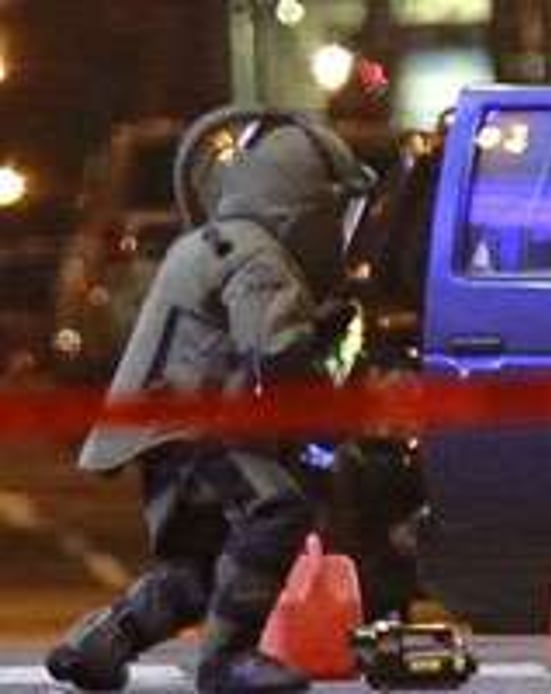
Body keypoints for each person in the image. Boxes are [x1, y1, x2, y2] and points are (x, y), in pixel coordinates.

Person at [44, 109, 377, 693]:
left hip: (165, 430)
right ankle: (227, 662)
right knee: (278, 513)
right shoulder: (258, 258)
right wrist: (331, 360)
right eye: (332, 211)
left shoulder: (206, 244)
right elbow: (279, 362)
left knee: (198, 569)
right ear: (300, 205)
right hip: (199, 430)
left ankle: (97, 645)